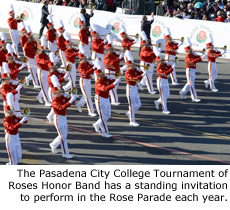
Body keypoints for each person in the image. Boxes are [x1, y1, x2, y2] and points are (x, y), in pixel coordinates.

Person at [49, 87, 77, 158]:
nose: (62, 92)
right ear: (55, 93)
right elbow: (61, 107)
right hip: (58, 118)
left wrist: (73, 96)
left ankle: (54, 144)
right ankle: (65, 153)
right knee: (63, 137)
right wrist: (71, 100)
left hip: (63, 117)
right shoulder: (55, 101)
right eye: (59, 91)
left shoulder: (62, 97)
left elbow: (70, 101)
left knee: (63, 135)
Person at [93, 70, 120, 138]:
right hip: (100, 100)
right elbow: (105, 89)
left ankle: (96, 124)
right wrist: (115, 82)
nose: (104, 74)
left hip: (106, 98)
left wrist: (114, 78)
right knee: (102, 117)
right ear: (98, 76)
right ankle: (104, 132)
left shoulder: (106, 79)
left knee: (108, 115)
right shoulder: (98, 83)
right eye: (102, 74)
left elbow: (113, 83)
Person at [125, 61, 147, 126]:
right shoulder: (127, 72)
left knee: (139, 104)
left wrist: (141, 71)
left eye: (133, 65)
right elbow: (133, 78)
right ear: (128, 66)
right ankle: (132, 120)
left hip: (134, 87)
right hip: (130, 88)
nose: (133, 66)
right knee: (132, 105)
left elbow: (141, 74)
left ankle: (130, 113)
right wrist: (142, 74)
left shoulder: (134, 70)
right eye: (131, 65)